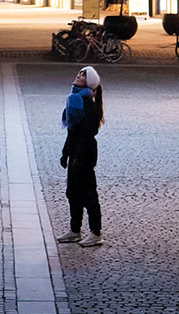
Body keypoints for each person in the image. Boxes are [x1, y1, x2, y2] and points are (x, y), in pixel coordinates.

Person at [56, 65, 104, 248]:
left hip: (84, 155)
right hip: (75, 153)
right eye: (78, 73)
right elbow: (72, 131)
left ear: (89, 83)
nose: (78, 76)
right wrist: (65, 153)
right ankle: (75, 231)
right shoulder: (75, 99)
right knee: (73, 193)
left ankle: (96, 233)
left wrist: (78, 157)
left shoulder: (87, 103)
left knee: (88, 194)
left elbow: (87, 132)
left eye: (82, 76)